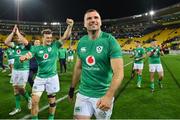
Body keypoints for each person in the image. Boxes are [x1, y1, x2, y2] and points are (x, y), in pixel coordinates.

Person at [68, 9, 124, 119]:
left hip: (102, 95)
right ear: (84, 24)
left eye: (96, 18)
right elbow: (78, 67)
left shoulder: (110, 41)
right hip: (83, 93)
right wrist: (72, 88)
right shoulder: (81, 42)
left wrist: (109, 96)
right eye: (89, 18)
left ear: (100, 22)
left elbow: (119, 72)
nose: (93, 20)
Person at [20, 18, 74, 120]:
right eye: (47, 37)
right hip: (40, 78)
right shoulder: (37, 48)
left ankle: (51, 117)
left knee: (52, 101)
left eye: (50, 37)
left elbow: (65, 37)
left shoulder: (55, 45)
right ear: (42, 38)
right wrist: (25, 57)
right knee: (35, 101)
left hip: (52, 78)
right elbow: (30, 54)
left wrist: (70, 26)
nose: (49, 39)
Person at [4, 25, 32, 115]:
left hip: (24, 70)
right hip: (15, 70)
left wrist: (18, 33)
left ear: (23, 37)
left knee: (21, 88)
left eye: (19, 37)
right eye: (17, 37)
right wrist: (13, 32)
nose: (18, 39)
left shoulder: (27, 46)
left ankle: (29, 99)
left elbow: (25, 42)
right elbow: (6, 42)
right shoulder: (15, 46)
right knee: (15, 89)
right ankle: (17, 107)